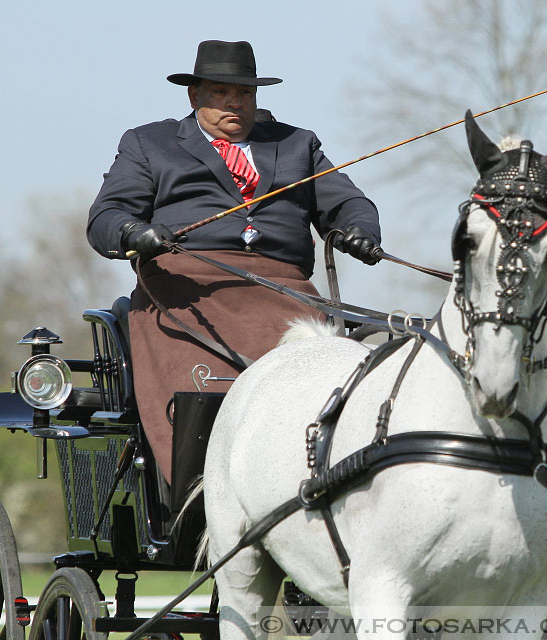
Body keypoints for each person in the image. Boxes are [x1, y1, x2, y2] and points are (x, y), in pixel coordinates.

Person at [87, 40, 381, 485]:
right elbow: (106, 217)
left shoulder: (298, 144)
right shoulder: (150, 143)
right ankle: (196, 493)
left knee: (338, 378)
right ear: (194, 96)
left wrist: (360, 230)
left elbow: (348, 203)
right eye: (221, 92)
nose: (234, 103)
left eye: (244, 93)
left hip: (286, 293)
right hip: (185, 292)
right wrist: (135, 233)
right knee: (207, 394)